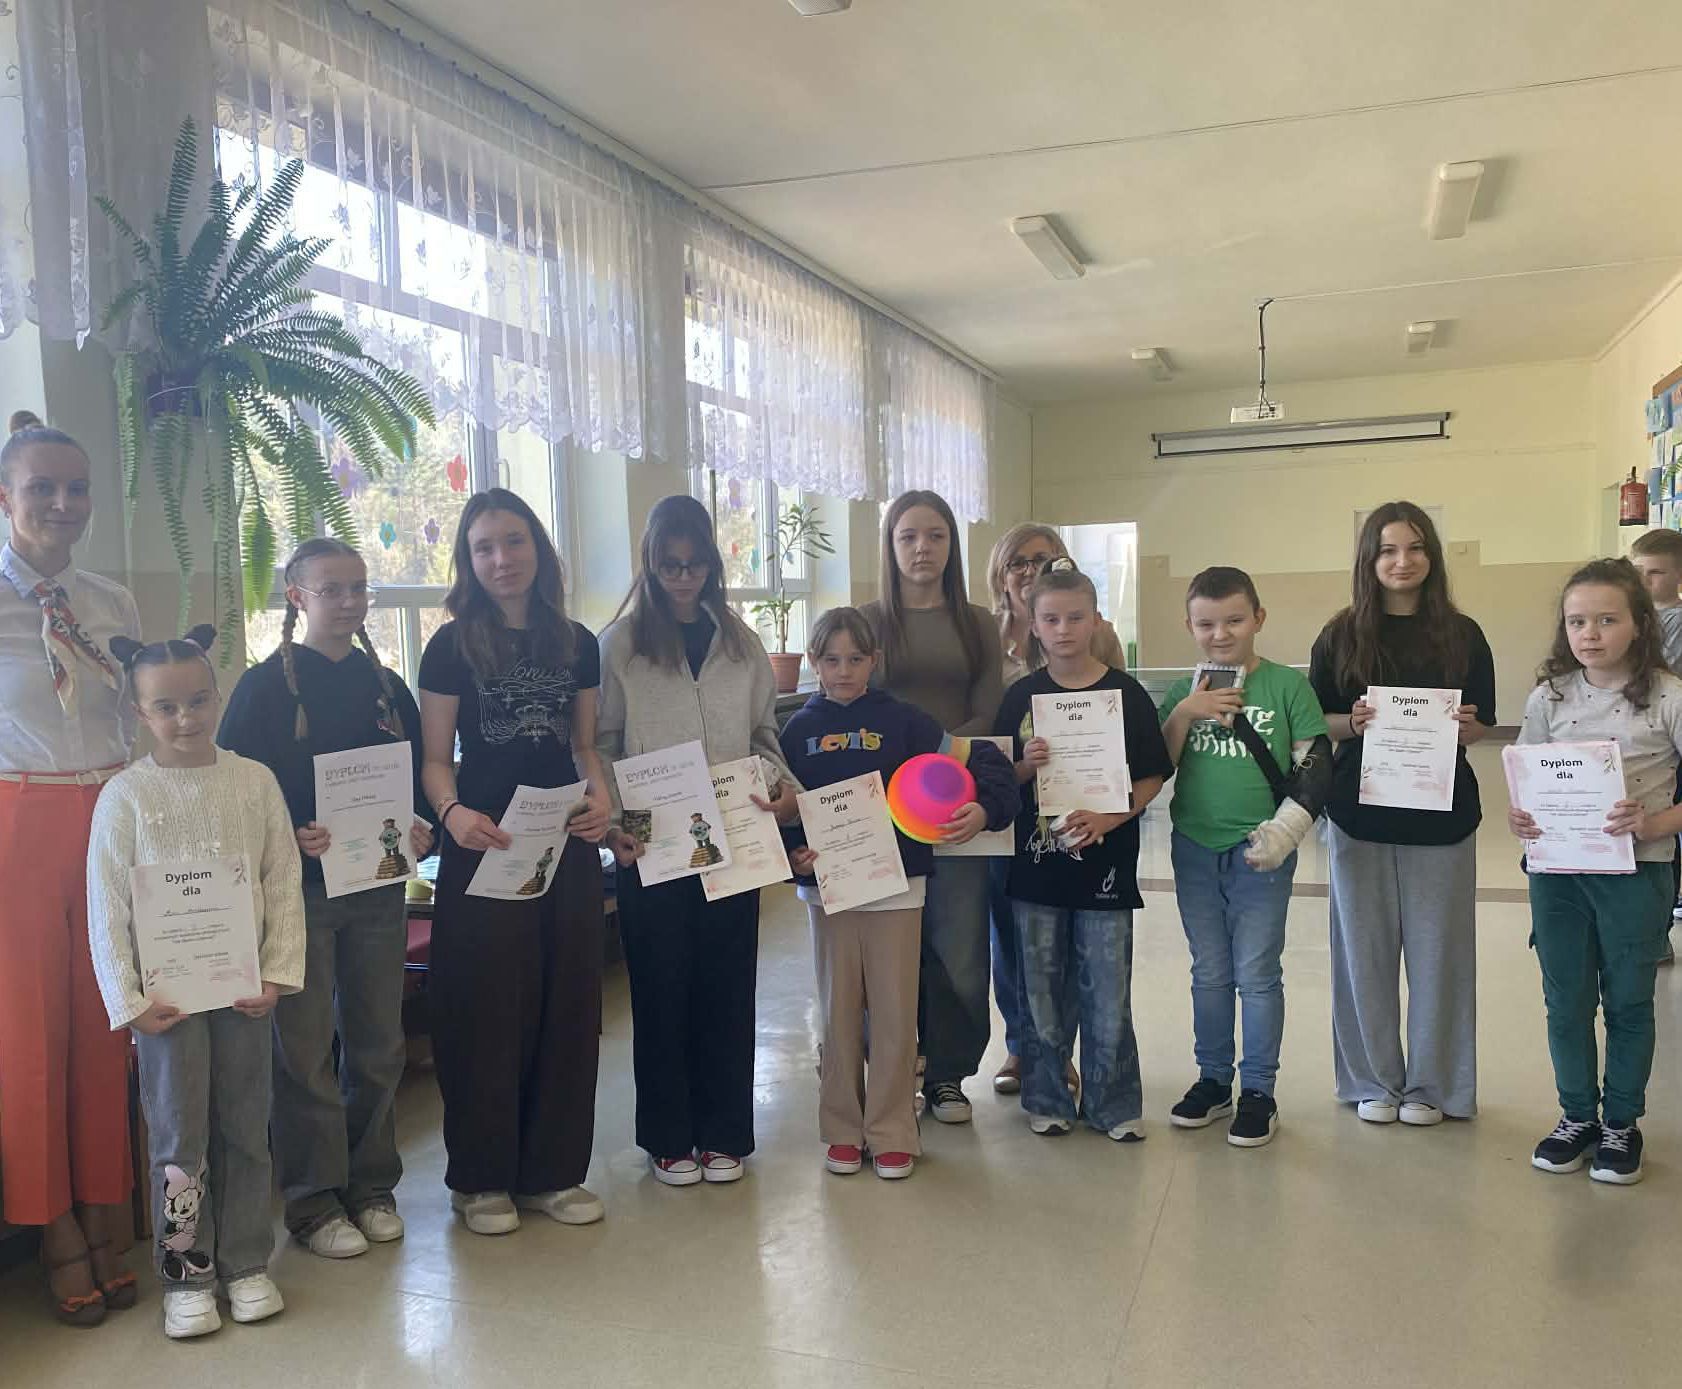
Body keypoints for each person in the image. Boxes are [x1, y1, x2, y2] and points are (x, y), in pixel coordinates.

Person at [85, 626, 305, 1339]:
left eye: (199, 700)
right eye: (166, 706)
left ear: (218, 696)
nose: (186, 718)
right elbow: (106, 906)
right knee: (179, 1136)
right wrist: (129, 1000)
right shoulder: (124, 796)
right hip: (167, 1007)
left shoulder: (254, 781)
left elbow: (281, 879)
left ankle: (247, 1263)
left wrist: (277, 972)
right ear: (140, 712)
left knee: (245, 1128)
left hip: (243, 995)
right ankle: (187, 1274)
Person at [217, 538, 432, 1259]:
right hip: (298, 898)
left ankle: (371, 1186)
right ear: (296, 596)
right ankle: (312, 1201)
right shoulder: (261, 690)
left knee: (377, 1045)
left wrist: (419, 825)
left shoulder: (387, 688)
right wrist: (288, 833)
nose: (348, 602)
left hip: (377, 890)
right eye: (331, 589)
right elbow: (236, 794)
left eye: (359, 588)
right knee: (304, 1052)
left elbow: (414, 781)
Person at [418, 489, 613, 1235]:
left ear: (538, 547)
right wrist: (452, 814)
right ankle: (481, 1178)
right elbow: (436, 759)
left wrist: (600, 800)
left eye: (514, 541)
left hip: (563, 843)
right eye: (484, 547)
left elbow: (583, 746)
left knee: (567, 1002)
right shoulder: (450, 646)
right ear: (468, 561)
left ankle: (552, 1172)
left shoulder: (577, 642)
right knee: (485, 1007)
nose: (502, 559)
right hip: (482, 845)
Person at [596, 494, 799, 1187]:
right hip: (650, 845)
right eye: (670, 565)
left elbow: (764, 737)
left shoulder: (740, 644)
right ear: (650, 565)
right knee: (661, 988)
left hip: (734, 841)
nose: (683, 577)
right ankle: (668, 1137)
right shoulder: (620, 646)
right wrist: (619, 821)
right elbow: (599, 744)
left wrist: (778, 785)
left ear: (712, 564)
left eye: (695, 564)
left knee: (727, 985)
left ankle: (724, 1132)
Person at [781, 607, 1017, 1179]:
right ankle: (842, 1130)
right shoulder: (794, 733)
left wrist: (986, 808)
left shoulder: (905, 721)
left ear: (875, 661)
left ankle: (891, 1130)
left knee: (894, 1013)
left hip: (898, 889)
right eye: (831, 659)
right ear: (813, 662)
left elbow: (982, 758)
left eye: (855, 658)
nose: (843, 670)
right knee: (838, 1014)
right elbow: (778, 812)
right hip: (829, 893)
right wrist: (793, 856)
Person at [0, 410, 139, 1326]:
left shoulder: (112, 603)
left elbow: (139, 718)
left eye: (76, 487)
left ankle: (104, 1206)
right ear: (5, 496)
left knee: (105, 1020)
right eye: (41, 487)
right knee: (29, 1033)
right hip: (17, 818)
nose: (61, 502)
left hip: (111, 813)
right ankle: (51, 1224)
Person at [1309, 503, 1495, 1126]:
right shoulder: (1340, 635)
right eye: (1388, 550)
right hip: (1358, 817)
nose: (1402, 561)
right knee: (1362, 957)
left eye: (1415, 548)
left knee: (1441, 960)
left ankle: (1434, 1088)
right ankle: (1373, 1081)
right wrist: (1351, 721)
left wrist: (1468, 728)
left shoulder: (1463, 634)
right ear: (1369, 559)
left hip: (1441, 819)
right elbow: (1317, 722)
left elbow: (1483, 724)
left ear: (1432, 556)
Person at [1510, 558, 1682, 1185]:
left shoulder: (1669, 696)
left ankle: (1621, 1123)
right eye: (1577, 621)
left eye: (1607, 620)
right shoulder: (1549, 696)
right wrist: (1521, 817)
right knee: (1566, 1001)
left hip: (1637, 873)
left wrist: (1657, 824)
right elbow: (1526, 776)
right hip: (1558, 872)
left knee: (1629, 1000)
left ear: (1639, 623)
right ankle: (1577, 1116)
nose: (1590, 633)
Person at [995, 561, 1171, 1140]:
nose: (1064, 629)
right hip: (1036, 872)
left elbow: (1152, 774)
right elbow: (999, 780)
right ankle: (1047, 1097)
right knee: (1040, 993)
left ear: (1097, 620)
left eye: (1076, 617)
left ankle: (1113, 1104)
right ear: (1034, 626)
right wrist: (1027, 765)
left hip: (1106, 870)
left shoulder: (1126, 695)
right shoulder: (1021, 697)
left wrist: (1108, 818)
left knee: (1108, 992)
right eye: (1051, 619)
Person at [1157, 567, 1331, 1148]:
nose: (1221, 634)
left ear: (1258, 618)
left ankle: (1258, 1090)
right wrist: (1185, 712)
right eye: (1206, 624)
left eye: (1234, 620)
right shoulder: (1182, 692)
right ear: (1189, 626)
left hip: (1263, 851)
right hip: (1194, 847)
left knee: (1256, 973)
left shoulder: (1286, 686)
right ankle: (1213, 1080)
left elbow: (1316, 763)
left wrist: (1287, 830)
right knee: (1208, 970)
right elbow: (1160, 766)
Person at [861, 491, 1002, 1124]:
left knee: (960, 948)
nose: (923, 548)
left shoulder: (978, 622)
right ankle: (894, 1072)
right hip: (880, 812)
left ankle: (948, 1074)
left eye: (936, 536)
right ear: (890, 546)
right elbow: (858, 708)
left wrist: (931, 769)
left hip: (954, 804)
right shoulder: (867, 623)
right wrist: (900, 773)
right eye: (909, 536)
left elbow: (989, 710)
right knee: (887, 950)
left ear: (952, 545)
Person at [983, 523, 1125, 1096]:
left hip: (1075, 806)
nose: (1031, 569)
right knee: (1010, 934)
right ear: (1001, 574)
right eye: (1018, 561)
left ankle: (1060, 1052)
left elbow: (1113, 708)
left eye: (1044, 558)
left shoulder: (1099, 634)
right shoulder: (985, 639)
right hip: (1007, 805)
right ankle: (1023, 1046)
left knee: (1063, 936)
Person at [1627, 527, 1682, 958]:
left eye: (1655, 573)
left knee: (1666, 829)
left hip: (1670, 739)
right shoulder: (1634, 617)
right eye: (1638, 572)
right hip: (1643, 739)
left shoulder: (1675, 622)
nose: (1644, 581)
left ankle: (1659, 926)